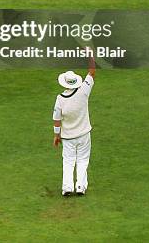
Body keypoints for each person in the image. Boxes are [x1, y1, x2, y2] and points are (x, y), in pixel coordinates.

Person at [53, 58, 96, 197]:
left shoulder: (60, 99)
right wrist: (91, 58)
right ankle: (80, 186)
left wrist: (56, 136)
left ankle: (67, 187)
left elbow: (57, 120)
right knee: (83, 159)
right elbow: (92, 73)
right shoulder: (84, 91)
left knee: (68, 161)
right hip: (84, 134)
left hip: (68, 137)